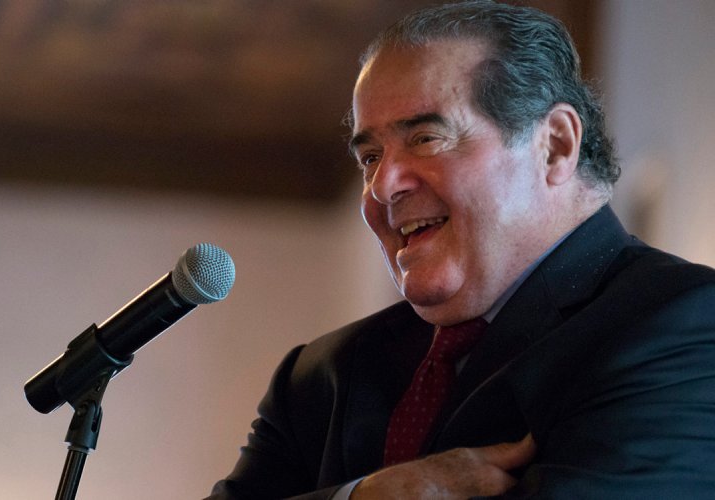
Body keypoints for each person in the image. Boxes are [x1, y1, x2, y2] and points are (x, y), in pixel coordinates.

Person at [209, 1, 715, 498]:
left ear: (555, 145)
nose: (383, 186)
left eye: (426, 138)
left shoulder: (687, 324)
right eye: (369, 157)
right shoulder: (320, 376)